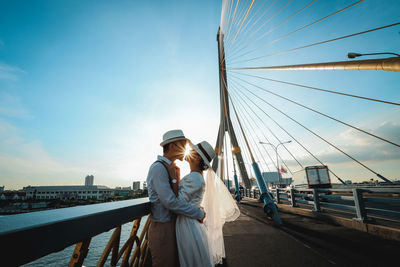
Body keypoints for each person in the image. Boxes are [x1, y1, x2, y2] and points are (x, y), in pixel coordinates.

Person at [146, 129, 206, 267]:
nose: (185, 149)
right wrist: (198, 212)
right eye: (182, 145)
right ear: (172, 146)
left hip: (173, 225)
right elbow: (170, 202)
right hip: (163, 227)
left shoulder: (172, 168)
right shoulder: (158, 168)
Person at [176, 141, 240, 267]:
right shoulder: (197, 176)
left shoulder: (194, 178)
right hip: (192, 222)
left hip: (187, 224)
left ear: (198, 157)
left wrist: (175, 178)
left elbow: (178, 203)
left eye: (192, 151)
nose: (189, 151)